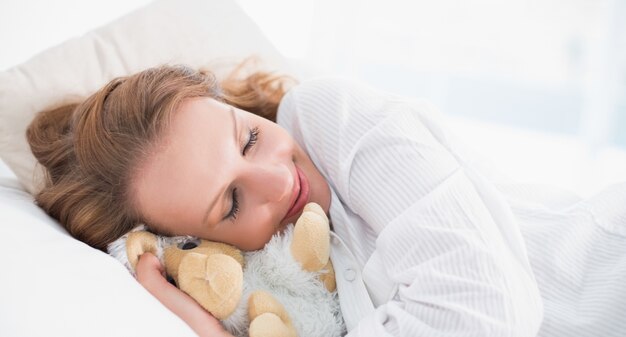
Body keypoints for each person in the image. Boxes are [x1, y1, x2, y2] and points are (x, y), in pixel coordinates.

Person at [25, 60, 626, 337]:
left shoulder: (329, 115)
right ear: (189, 245)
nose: (278, 181)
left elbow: (488, 311)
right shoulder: (272, 294)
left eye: (250, 137)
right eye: (230, 204)